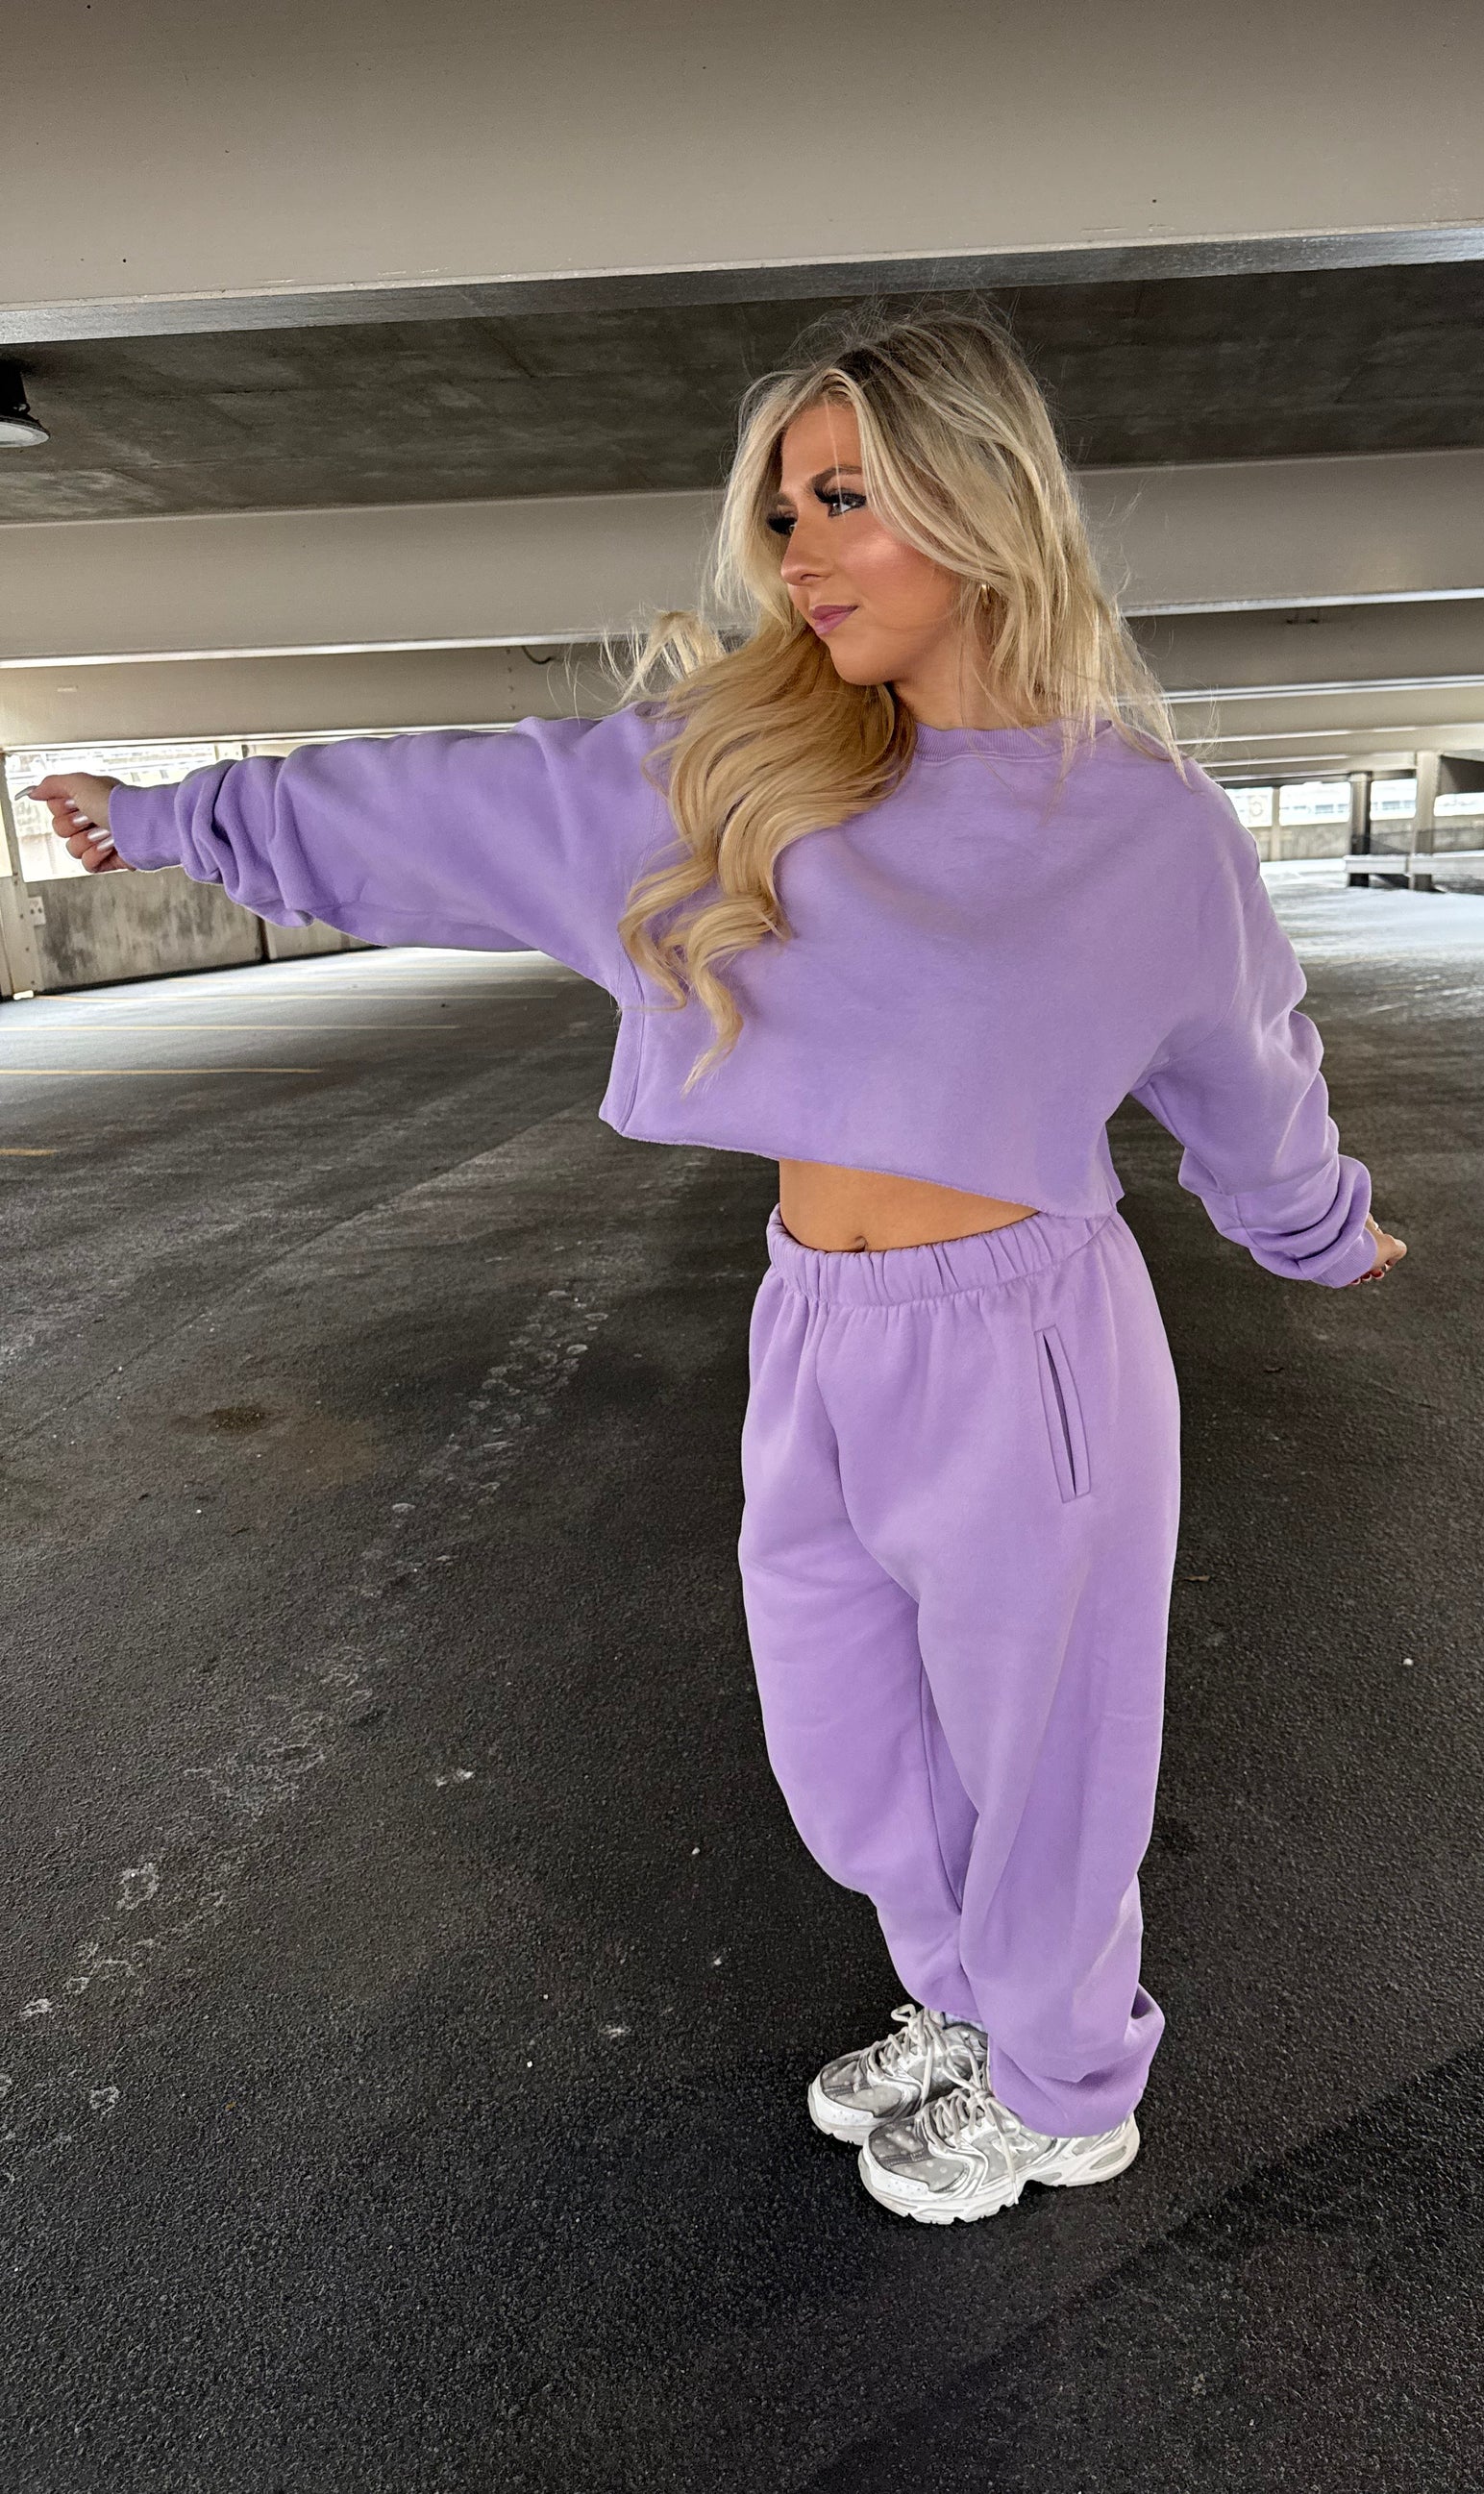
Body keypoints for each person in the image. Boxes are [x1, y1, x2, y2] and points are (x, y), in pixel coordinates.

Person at [31, 306, 1405, 2229]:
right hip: (817, 1319)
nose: (799, 555)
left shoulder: (1146, 829)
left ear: (983, 500)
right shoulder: (734, 766)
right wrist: (182, 815)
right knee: (845, 1735)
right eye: (780, 514)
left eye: (844, 499)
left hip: (1030, 1342)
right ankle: (967, 1999)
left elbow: (1246, 1064)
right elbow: (452, 800)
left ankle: (1067, 2083)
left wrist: (1318, 1225)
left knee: (1045, 1748)